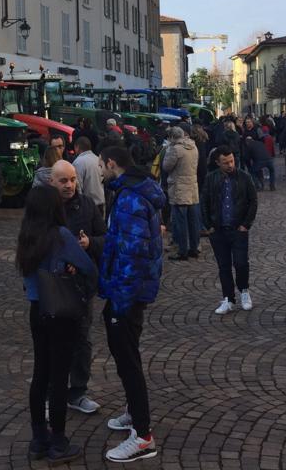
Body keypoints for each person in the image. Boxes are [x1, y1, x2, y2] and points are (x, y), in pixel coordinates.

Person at [17, 185, 97, 464]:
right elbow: (87, 266)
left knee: (41, 373)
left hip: (36, 309)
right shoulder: (60, 235)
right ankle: (58, 441)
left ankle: (39, 438)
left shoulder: (27, 236)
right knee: (59, 376)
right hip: (60, 312)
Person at [98, 145, 165, 463]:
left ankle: (143, 436)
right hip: (127, 290)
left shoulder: (130, 199)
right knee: (127, 355)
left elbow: (132, 255)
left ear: (111, 163)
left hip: (127, 293)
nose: (99, 170)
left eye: (101, 164)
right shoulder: (130, 191)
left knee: (128, 360)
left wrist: (119, 301)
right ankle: (132, 411)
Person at [49, 160, 106, 415]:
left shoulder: (87, 205)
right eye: (63, 181)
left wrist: (89, 243)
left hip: (82, 287)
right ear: (52, 182)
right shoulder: (44, 208)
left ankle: (78, 392)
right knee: (54, 342)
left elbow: (105, 238)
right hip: (53, 288)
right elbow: (32, 244)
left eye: (72, 180)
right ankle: (52, 394)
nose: (69, 185)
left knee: (82, 340)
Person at [200, 146, 257, 315]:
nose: (230, 165)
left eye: (231, 161)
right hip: (218, 229)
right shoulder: (211, 178)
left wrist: (246, 224)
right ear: (218, 163)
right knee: (223, 266)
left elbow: (253, 201)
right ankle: (228, 298)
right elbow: (204, 202)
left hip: (238, 228)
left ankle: (244, 291)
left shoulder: (244, 177)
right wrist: (209, 225)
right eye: (225, 163)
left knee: (241, 263)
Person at [162, 126, 201, 261]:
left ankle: (182, 250)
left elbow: (166, 166)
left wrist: (167, 150)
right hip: (192, 187)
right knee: (193, 221)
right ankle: (194, 248)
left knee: (180, 221)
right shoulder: (194, 147)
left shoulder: (175, 150)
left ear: (172, 137)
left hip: (179, 188)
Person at [72, 136, 105, 212]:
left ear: (77, 147)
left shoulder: (78, 162)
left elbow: (77, 187)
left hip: (87, 206)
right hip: (101, 202)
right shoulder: (98, 159)